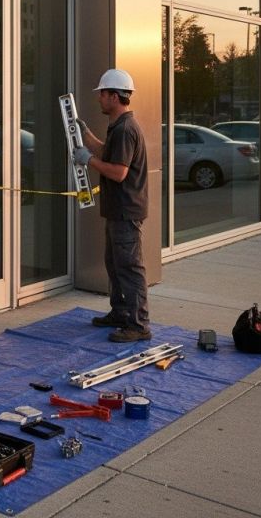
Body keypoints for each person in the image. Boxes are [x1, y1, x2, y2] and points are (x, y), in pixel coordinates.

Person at [74, 69, 150, 342]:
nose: (99, 99)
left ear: (115, 96)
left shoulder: (126, 129)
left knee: (129, 267)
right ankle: (120, 313)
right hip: (118, 210)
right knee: (115, 264)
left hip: (126, 210)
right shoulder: (119, 127)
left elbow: (118, 172)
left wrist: (87, 160)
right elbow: (108, 152)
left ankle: (138, 325)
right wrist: (87, 137)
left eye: (102, 94)